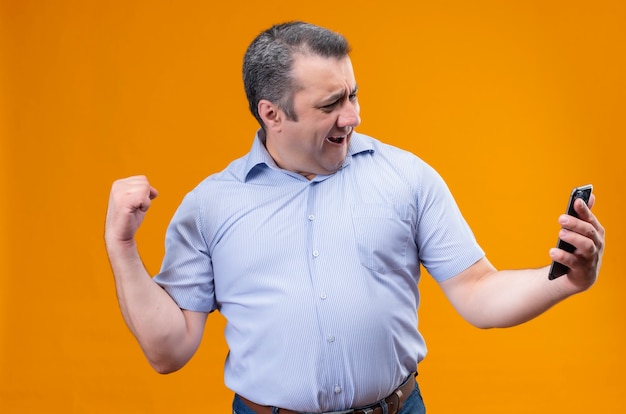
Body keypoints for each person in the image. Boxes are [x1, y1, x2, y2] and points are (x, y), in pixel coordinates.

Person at [104, 21, 605, 414]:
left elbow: (478, 292)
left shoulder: (407, 178)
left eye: (353, 94)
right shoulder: (211, 206)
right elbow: (168, 352)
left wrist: (563, 280)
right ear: (272, 114)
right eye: (331, 104)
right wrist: (123, 247)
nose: (353, 116)